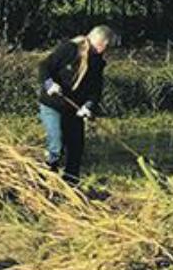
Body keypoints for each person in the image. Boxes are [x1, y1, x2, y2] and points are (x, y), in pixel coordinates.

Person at [37, 25, 117, 182]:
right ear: (99, 42)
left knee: (76, 147)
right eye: (106, 46)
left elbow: (96, 89)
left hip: (75, 109)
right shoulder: (69, 49)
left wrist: (89, 105)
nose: (105, 51)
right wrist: (49, 84)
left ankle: (71, 183)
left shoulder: (98, 62)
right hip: (53, 104)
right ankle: (46, 177)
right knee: (56, 143)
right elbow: (44, 66)